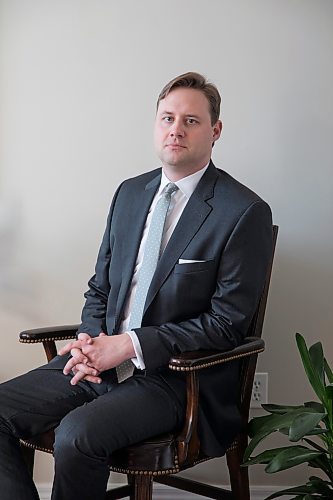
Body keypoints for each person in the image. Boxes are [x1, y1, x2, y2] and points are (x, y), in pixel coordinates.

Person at [0, 72, 273, 500]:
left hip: (175, 379)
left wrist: (128, 345)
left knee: (77, 434)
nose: (176, 130)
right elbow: (100, 288)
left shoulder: (242, 212)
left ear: (215, 131)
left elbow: (226, 325)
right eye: (167, 118)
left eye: (191, 120)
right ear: (155, 124)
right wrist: (91, 342)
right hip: (100, 362)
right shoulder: (129, 194)